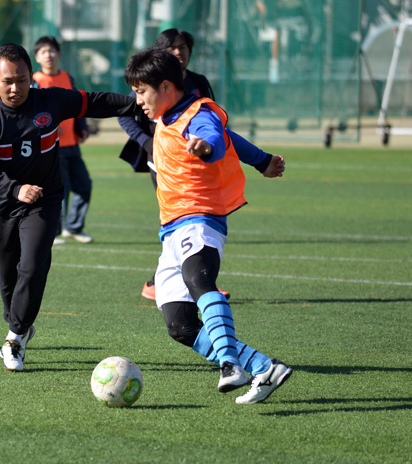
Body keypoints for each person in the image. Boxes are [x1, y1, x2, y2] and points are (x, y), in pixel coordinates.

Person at [123, 47, 292, 404]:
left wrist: (205, 147)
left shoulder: (197, 115)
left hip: (198, 218)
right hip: (171, 229)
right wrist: (261, 161)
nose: (137, 100)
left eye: (142, 91)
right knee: (180, 324)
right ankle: (263, 367)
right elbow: (232, 138)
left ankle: (230, 364)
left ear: (166, 86)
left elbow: (216, 138)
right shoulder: (168, 115)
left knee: (199, 281)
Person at [0, 43, 137, 372]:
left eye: (21, 79)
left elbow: (94, 102)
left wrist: (138, 105)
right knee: (8, 276)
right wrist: (15, 189)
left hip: (45, 201)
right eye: (7, 81)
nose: (15, 88)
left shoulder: (51, 99)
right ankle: (19, 324)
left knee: (33, 266)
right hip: (2, 205)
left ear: (32, 77)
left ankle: (14, 338)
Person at [118, 29, 226, 301]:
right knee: (181, 217)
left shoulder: (198, 82)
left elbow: (211, 116)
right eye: (172, 47)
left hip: (198, 164)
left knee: (198, 220)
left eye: (183, 47)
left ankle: (195, 279)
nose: (179, 52)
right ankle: (182, 282)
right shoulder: (151, 83)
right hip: (165, 163)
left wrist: (212, 143)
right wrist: (148, 144)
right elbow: (126, 117)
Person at [33, 35, 93, 245]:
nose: (49, 55)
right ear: (37, 57)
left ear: (58, 54)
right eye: (43, 52)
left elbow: (77, 105)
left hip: (72, 145)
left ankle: (73, 228)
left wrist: (82, 127)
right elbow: (31, 113)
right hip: (51, 148)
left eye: (52, 51)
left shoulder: (68, 78)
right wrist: (48, 125)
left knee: (84, 185)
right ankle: (54, 232)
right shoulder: (35, 81)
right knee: (60, 191)